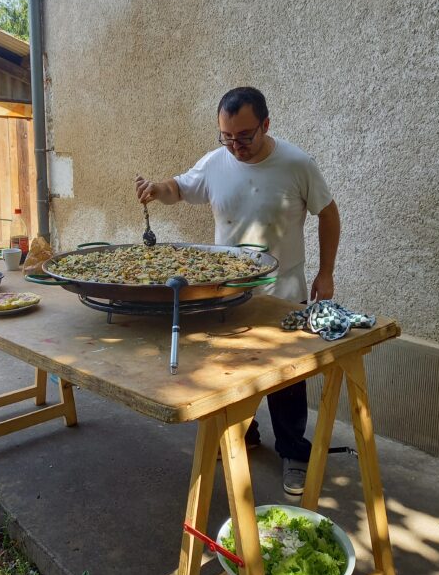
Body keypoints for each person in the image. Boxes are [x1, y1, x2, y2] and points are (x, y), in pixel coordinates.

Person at [135, 87, 340, 495]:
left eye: (245, 136)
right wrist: (158, 189)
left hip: (283, 293)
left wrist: (327, 273)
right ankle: (243, 435)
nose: (236, 146)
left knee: (286, 381)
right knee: (227, 371)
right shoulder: (217, 162)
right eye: (226, 137)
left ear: (266, 124)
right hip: (227, 294)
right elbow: (180, 187)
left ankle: (295, 454)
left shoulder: (297, 164)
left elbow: (329, 213)